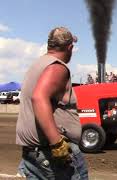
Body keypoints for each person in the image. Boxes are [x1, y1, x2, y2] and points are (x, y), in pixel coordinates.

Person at [16, 27, 88, 179]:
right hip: (51, 154)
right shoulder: (57, 67)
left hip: (33, 151)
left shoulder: (38, 65)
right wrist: (57, 144)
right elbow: (39, 97)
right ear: (70, 48)